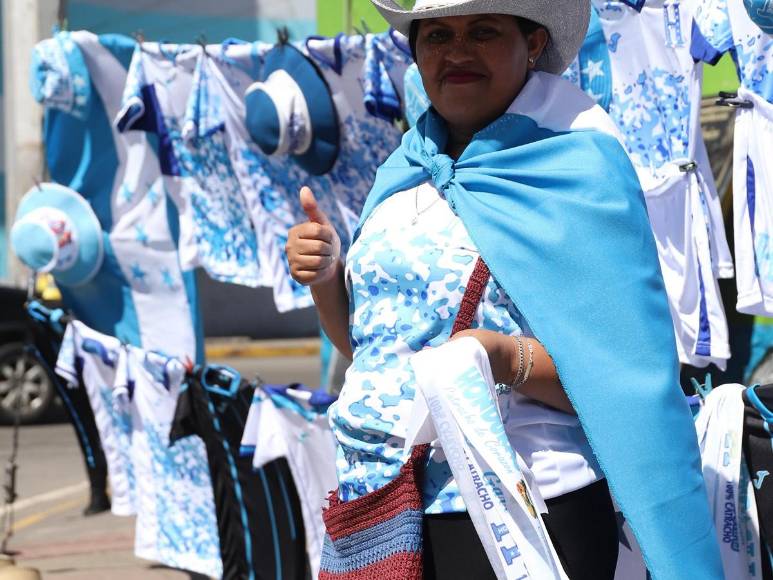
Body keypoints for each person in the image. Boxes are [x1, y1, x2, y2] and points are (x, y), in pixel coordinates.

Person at [286, 1, 724, 579]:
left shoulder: (577, 169)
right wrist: (325, 281)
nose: (457, 51)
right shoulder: (406, 170)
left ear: (534, 43)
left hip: (524, 516)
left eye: (484, 31)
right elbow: (372, 353)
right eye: (437, 34)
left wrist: (501, 356)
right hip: (385, 511)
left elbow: (628, 382)